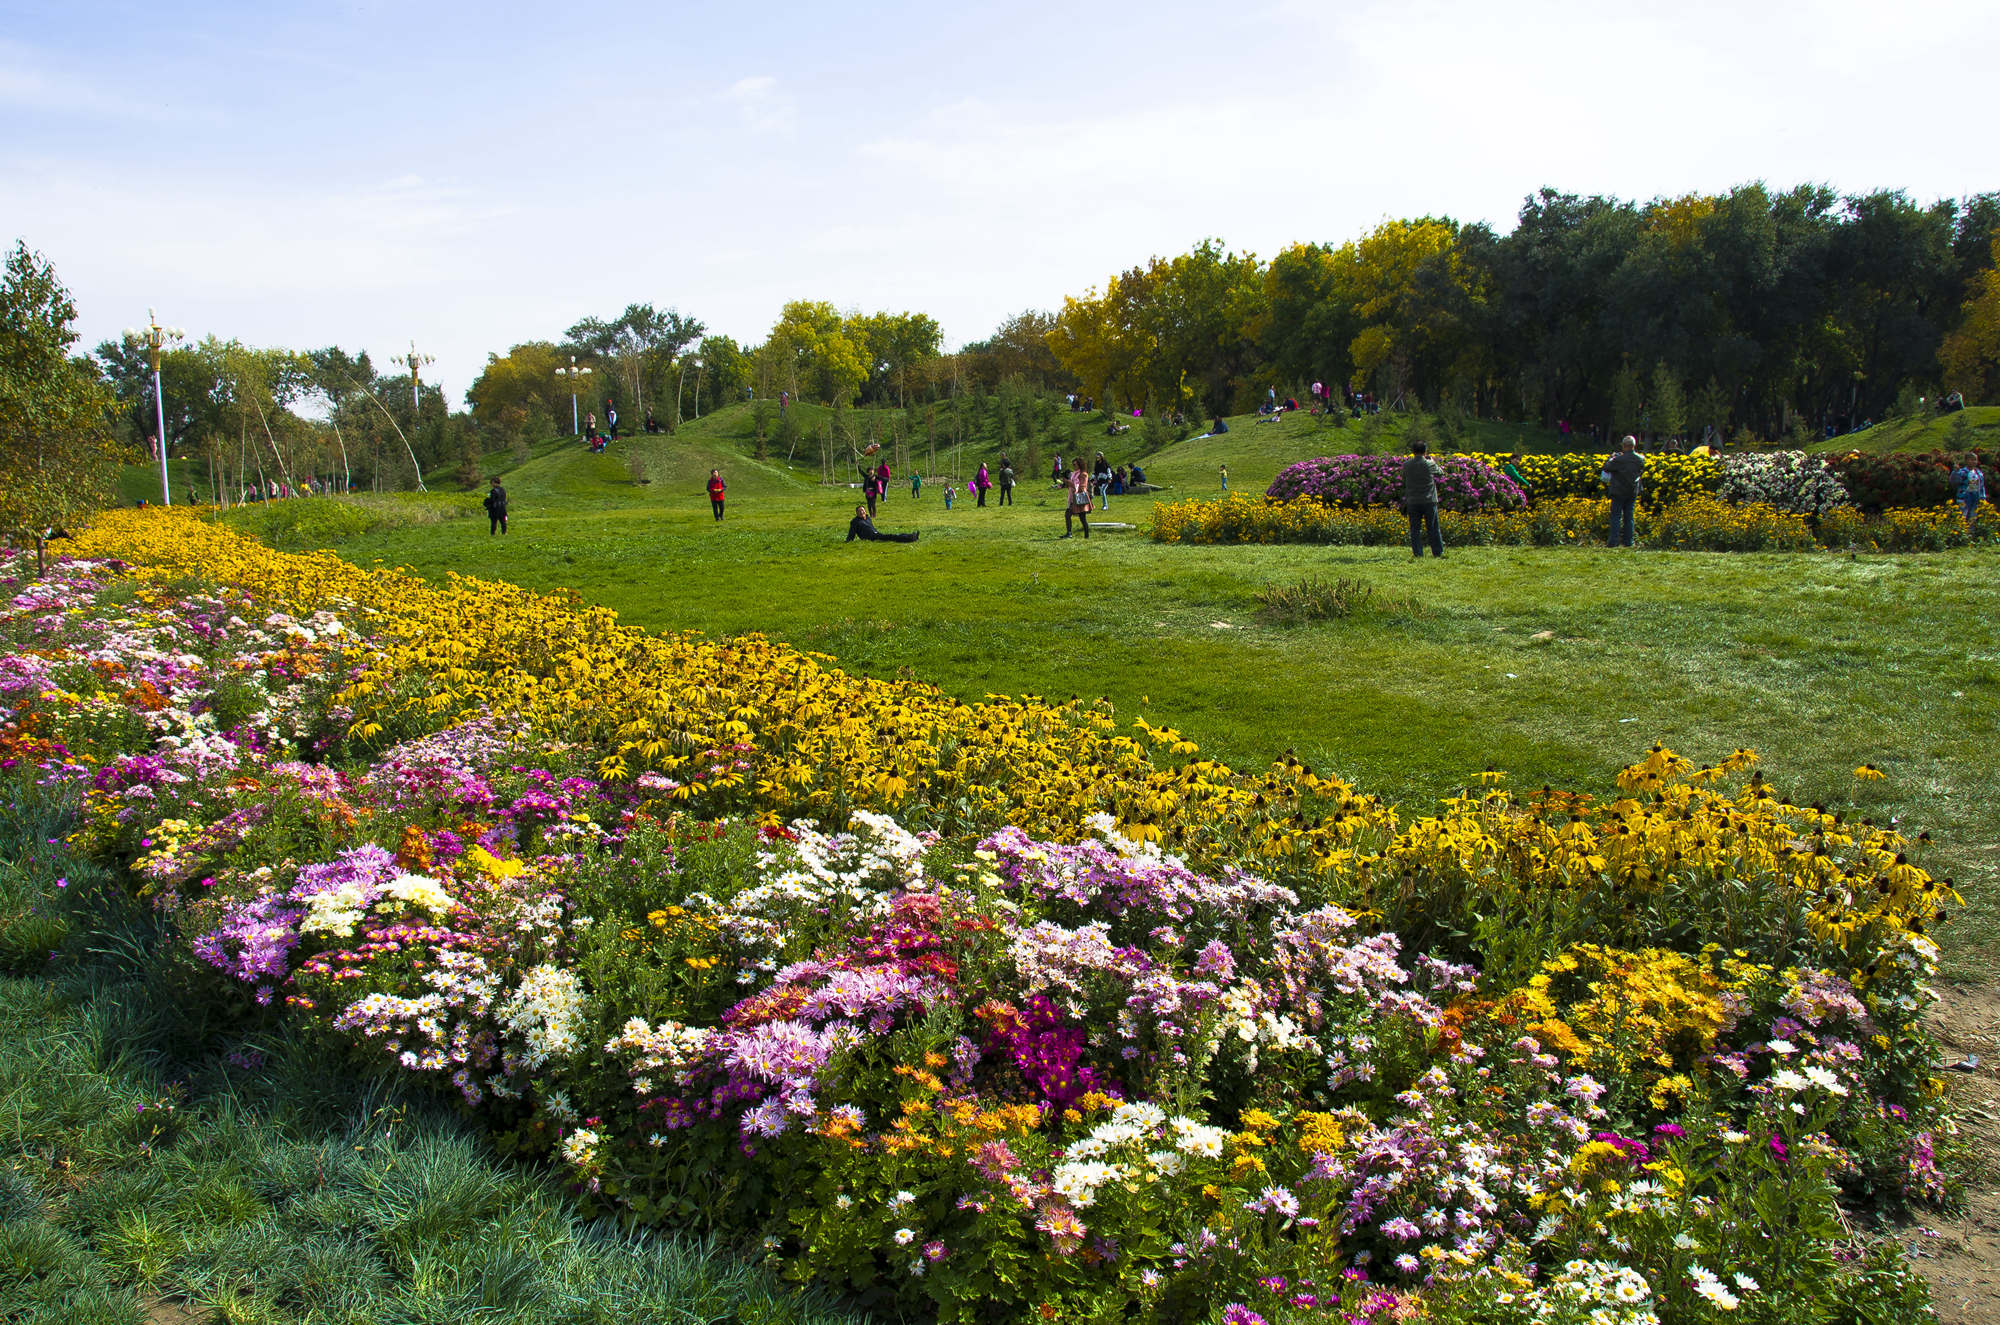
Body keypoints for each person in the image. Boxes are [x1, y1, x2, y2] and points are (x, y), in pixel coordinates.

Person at [1601, 435, 1645, 548]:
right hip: (1632, 491)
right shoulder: (1640, 459)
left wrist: (1611, 458)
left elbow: (1606, 467)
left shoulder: (1619, 460)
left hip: (1618, 491)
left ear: (1624, 446)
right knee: (1629, 517)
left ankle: (1613, 542)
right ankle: (1628, 541)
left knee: (1616, 516)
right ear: (1634, 445)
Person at [1402, 441, 1444, 558]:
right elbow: (1440, 473)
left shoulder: (1407, 465)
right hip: (1429, 500)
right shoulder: (1429, 464)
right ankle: (1437, 552)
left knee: (1415, 529)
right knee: (1433, 528)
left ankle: (1418, 553)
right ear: (1425, 451)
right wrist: (1433, 461)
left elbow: (1403, 476)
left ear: (1413, 451)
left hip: (1413, 500)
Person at [847, 504, 919, 543]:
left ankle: (911, 536)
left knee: (891, 536)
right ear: (856, 513)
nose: (861, 512)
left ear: (865, 511)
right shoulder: (855, 522)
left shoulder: (867, 518)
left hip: (876, 534)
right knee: (891, 537)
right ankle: (911, 538)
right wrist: (848, 541)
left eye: (862, 510)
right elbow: (851, 533)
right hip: (871, 538)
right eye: (859, 511)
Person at [1952, 455, 1986, 533]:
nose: (1973, 462)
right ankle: (1960, 533)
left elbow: (1981, 486)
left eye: (1975, 460)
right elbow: (1954, 482)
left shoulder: (1979, 473)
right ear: (1966, 461)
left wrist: (1983, 497)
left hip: (1976, 498)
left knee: (1973, 516)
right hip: (1964, 498)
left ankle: (1971, 534)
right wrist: (1955, 472)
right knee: (1962, 516)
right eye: (1971, 460)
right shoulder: (1962, 472)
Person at [1063, 458, 1092, 538]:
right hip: (1073, 497)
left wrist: (1069, 482)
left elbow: (1081, 486)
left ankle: (1086, 535)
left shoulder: (1083, 474)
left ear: (1080, 464)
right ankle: (1069, 533)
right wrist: (1066, 483)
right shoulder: (1074, 473)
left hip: (1079, 498)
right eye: (1073, 464)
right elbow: (1073, 485)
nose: (1074, 466)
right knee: (1067, 514)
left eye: (1075, 464)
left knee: (1082, 518)